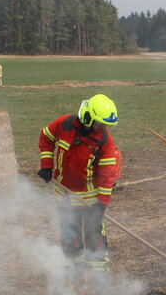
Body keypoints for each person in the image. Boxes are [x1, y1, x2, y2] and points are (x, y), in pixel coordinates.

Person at [37, 94, 120, 279]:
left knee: (93, 232)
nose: (103, 128)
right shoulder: (64, 124)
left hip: (90, 195)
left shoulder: (105, 140)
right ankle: (74, 271)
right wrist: (46, 165)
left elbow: (108, 174)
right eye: (100, 124)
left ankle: (98, 275)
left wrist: (102, 204)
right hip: (65, 192)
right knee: (69, 231)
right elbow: (46, 138)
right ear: (88, 118)